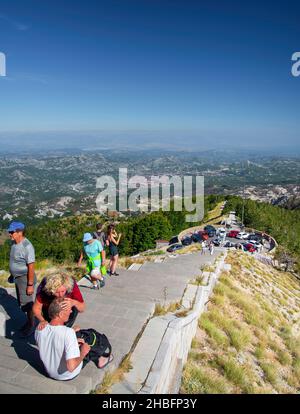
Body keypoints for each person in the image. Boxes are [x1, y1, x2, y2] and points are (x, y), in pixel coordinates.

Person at [35, 299, 113, 381]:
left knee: (77, 335)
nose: (71, 311)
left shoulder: (39, 329)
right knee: (89, 337)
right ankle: (100, 359)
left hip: (49, 372)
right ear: (61, 314)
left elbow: (52, 341)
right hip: (67, 375)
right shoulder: (68, 333)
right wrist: (83, 352)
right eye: (69, 309)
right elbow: (71, 367)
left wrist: (73, 340)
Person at [8, 221, 37, 337]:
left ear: (20, 232)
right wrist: (12, 274)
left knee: (28, 304)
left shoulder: (27, 246)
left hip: (25, 279)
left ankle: (32, 326)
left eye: (12, 232)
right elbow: (15, 261)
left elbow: (31, 266)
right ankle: (29, 322)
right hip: (18, 278)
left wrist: (30, 284)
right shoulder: (14, 244)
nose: (10, 234)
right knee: (23, 303)